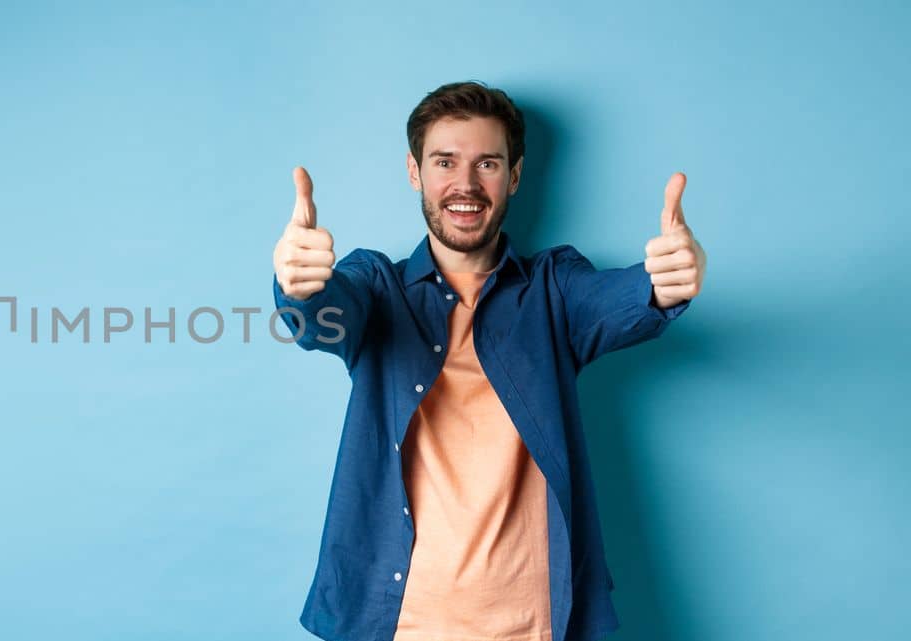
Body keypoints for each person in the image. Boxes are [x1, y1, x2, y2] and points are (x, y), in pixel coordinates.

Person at [270, 81, 706, 641]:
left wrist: (668, 281)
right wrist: (299, 287)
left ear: (515, 176)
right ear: (415, 172)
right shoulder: (377, 287)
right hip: (401, 622)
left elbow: (623, 299)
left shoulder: (555, 286)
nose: (466, 184)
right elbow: (325, 312)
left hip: (532, 623)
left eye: (488, 164)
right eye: (445, 161)